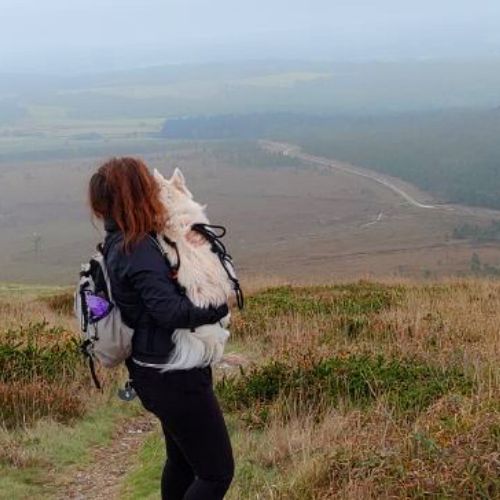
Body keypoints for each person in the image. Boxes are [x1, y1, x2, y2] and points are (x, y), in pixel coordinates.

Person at [88, 156, 234, 499]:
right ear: (135, 193)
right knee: (216, 474)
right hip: (174, 374)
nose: (155, 191)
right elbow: (170, 313)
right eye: (147, 185)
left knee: (182, 463)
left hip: (152, 370)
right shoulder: (137, 248)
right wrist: (219, 306)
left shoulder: (119, 241)